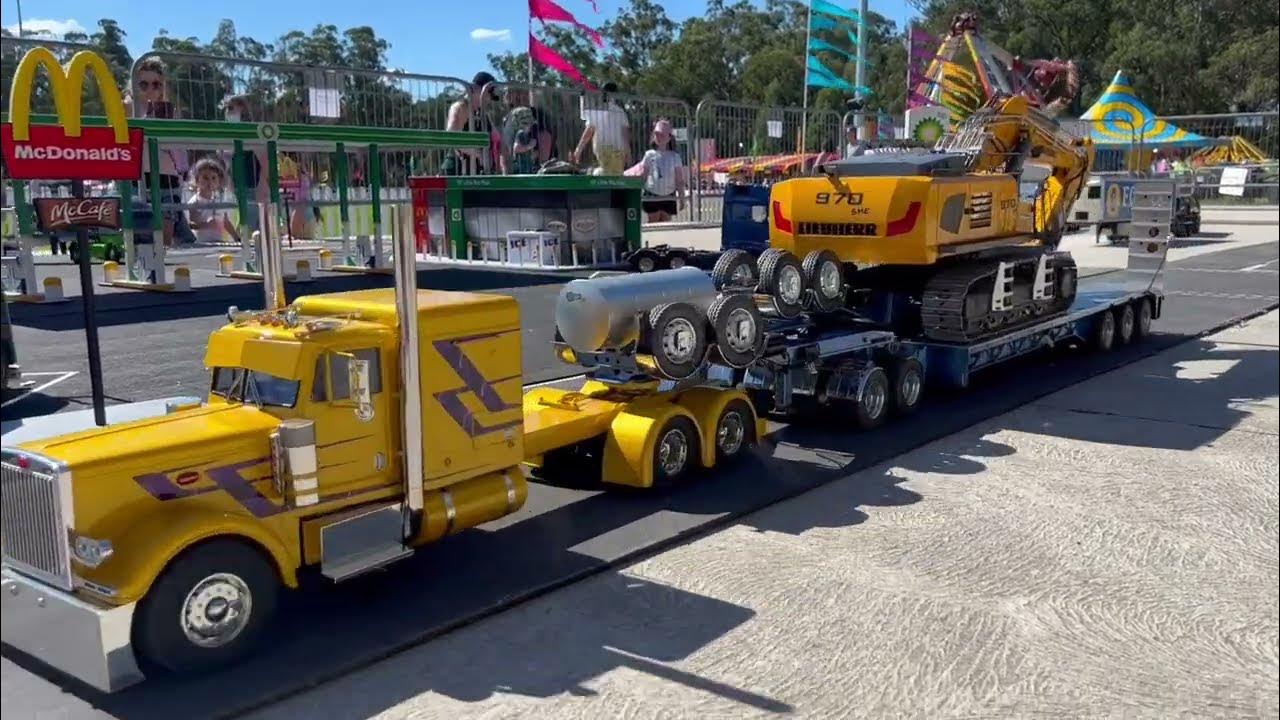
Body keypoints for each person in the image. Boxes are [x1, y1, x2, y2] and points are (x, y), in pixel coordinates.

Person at [129, 59, 194, 246]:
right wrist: (144, 121)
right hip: (138, 179)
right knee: (140, 238)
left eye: (156, 84)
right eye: (143, 84)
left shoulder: (169, 110)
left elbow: (179, 144)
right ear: (134, 85)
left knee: (165, 240)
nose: (150, 89)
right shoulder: (127, 106)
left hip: (167, 179)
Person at [628, 119, 686, 222]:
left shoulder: (675, 157)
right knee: (653, 224)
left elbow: (679, 180)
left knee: (666, 226)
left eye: (662, 135)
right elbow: (644, 176)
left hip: (669, 196)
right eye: (657, 135)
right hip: (652, 194)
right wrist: (638, 194)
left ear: (669, 138)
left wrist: (682, 198)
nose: (659, 137)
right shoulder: (649, 155)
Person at [443, 72, 499, 175]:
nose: (489, 99)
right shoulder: (460, 107)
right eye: (488, 93)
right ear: (477, 89)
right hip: (458, 169)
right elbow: (450, 136)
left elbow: (497, 137)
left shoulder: (483, 112)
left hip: (477, 170)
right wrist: (478, 154)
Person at [573, 81, 630, 175]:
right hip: (613, 150)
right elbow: (625, 134)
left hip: (611, 149)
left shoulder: (615, 112)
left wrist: (579, 149)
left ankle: (590, 172)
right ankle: (591, 172)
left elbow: (590, 129)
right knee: (611, 174)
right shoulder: (620, 112)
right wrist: (628, 153)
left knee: (611, 174)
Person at [186, 158, 241, 245]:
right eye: (205, 178)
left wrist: (237, 239)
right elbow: (191, 224)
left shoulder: (219, 200)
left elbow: (226, 222)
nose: (210, 182)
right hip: (202, 244)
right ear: (197, 180)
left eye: (213, 178)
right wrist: (206, 224)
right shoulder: (195, 201)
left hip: (218, 242)